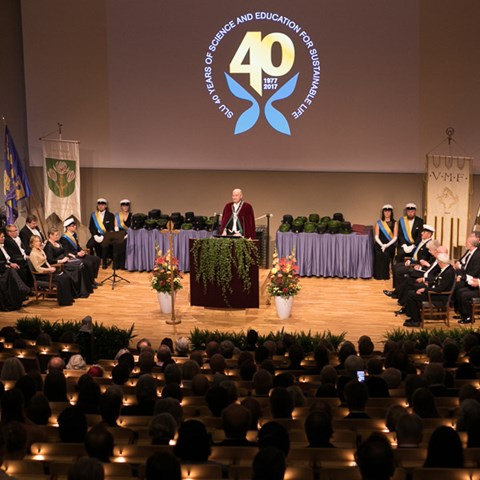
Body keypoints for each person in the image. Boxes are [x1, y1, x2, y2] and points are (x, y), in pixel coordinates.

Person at [403, 252, 455, 327]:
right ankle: (415, 317)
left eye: (438, 261)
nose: (438, 263)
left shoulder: (448, 272)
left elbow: (441, 288)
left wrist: (425, 289)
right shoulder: (446, 269)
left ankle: (416, 321)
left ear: (441, 262)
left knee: (411, 295)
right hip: (434, 292)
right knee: (412, 292)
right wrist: (428, 285)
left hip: (439, 296)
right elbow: (437, 281)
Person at [385, 224, 435, 298]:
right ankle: (397, 290)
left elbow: (424, 260)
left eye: (424, 232)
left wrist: (412, 263)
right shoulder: (420, 241)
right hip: (412, 261)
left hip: (417, 266)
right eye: (422, 232)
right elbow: (413, 252)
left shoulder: (429, 244)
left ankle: (398, 293)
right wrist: (409, 260)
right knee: (395, 267)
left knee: (399, 271)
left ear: (429, 234)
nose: (421, 233)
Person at [44, 227, 93, 298]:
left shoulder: (57, 243)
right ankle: (77, 292)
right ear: (50, 236)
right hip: (60, 264)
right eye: (56, 235)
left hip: (66, 260)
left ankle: (84, 290)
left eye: (58, 235)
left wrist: (69, 255)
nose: (57, 236)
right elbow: (50, 260)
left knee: (81, 264)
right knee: (77, 268)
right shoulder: (48, 246)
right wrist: (62, 261)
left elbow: (64, 251)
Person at [28, 234, 75, 306]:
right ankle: (64, 301)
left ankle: (68, 298)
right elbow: (38, 268)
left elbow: (46, 261)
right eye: (36, 241)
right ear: (32, 243)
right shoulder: (33, 254)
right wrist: (49, 270)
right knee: (62, 279)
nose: (39, 243)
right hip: (42, 274)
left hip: (48, 270)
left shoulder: (40, 250)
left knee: (66, 276)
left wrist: (50, 267)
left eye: (39, 241)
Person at [60, 218, 101, 287]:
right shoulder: (64, 238)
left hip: (79, 254)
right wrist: (77, 254)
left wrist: (81, 250)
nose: (75, 227)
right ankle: (90, 283)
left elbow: (77, 246)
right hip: (73, 257)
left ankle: (93, 279)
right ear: (68, 227)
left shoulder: (74, 234)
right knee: (89, 263)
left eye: (74, 225)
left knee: (96, 259)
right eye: (73, 226)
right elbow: (66, 251)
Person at [0, 230, 30, 311]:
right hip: (2, 270)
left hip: (7, 266)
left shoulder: (3, 246)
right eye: (2, 237)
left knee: (19, 269)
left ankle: (20, 294)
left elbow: (7, 258)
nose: (4, 238)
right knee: (12, 271)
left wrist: (10, 264)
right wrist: (8, 265)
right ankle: (23, 289)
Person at [86, 198, 115, 269]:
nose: (101, 206)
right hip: (96, 235)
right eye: (99, 205)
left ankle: (104, 262)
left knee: (104, 245)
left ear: (105, 206)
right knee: (89, 244)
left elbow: (111, 228)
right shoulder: (93, 215)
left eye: (102, 205)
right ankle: (92, 261)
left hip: (106, 236)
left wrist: (104, 236)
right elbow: (91, 227)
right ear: (97, 205)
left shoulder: (110, 215)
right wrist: (95, 235)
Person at [3, 224, 33, 288]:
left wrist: (32, 253)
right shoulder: (7, 241)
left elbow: (23, 250)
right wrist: (24, 257)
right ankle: (26, 290)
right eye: (14, 231)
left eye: (16, 230)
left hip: (22, 258)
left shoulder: (18, 238)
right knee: (25, 269)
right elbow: (12, 255)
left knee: (33, 263)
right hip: (17, 261)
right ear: (9, 233)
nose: (16, 232)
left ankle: (34, 287)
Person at [374, 205, 398, 280]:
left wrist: (387, 245)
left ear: (391, 212)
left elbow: (395, 237)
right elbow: (376, 236)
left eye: (389, 211)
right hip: (380, 243)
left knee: (386, 254)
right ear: (383, 212)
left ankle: (385, 275)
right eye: (385, 211)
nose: (387, 213)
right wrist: (382, 245)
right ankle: (378, 276)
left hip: (390, 244)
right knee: (378, 254)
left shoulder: (395, 223)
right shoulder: (379, 223)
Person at [113, 199, 131, 269]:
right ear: (121, 206)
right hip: (119, 234)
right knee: (116, 243)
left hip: (128, 235)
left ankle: (123, 265)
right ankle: (116, 265)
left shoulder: (131, 215)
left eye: (127, 206)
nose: (125, 207)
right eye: (124, 206)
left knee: (124, 244)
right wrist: (119, 236)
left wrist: (126, 236)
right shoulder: (117, 215)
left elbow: (131, 228)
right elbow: (116, 226)